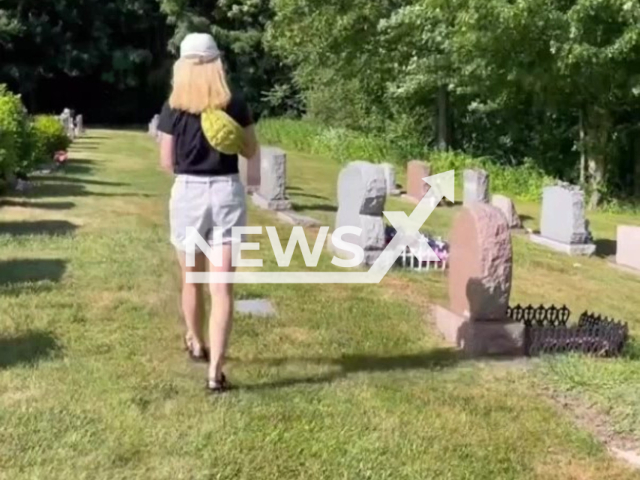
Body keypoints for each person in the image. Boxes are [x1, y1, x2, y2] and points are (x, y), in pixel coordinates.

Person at [157, 33, 259, 393]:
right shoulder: (235, 103)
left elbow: (166, 161)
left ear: (182, 66)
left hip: (189, 193)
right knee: (222, 288)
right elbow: (251, 153)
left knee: (192, 280)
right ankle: (215, 372)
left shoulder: (174, 107)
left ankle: (196, 342)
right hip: (227, 193)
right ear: (217, 63)